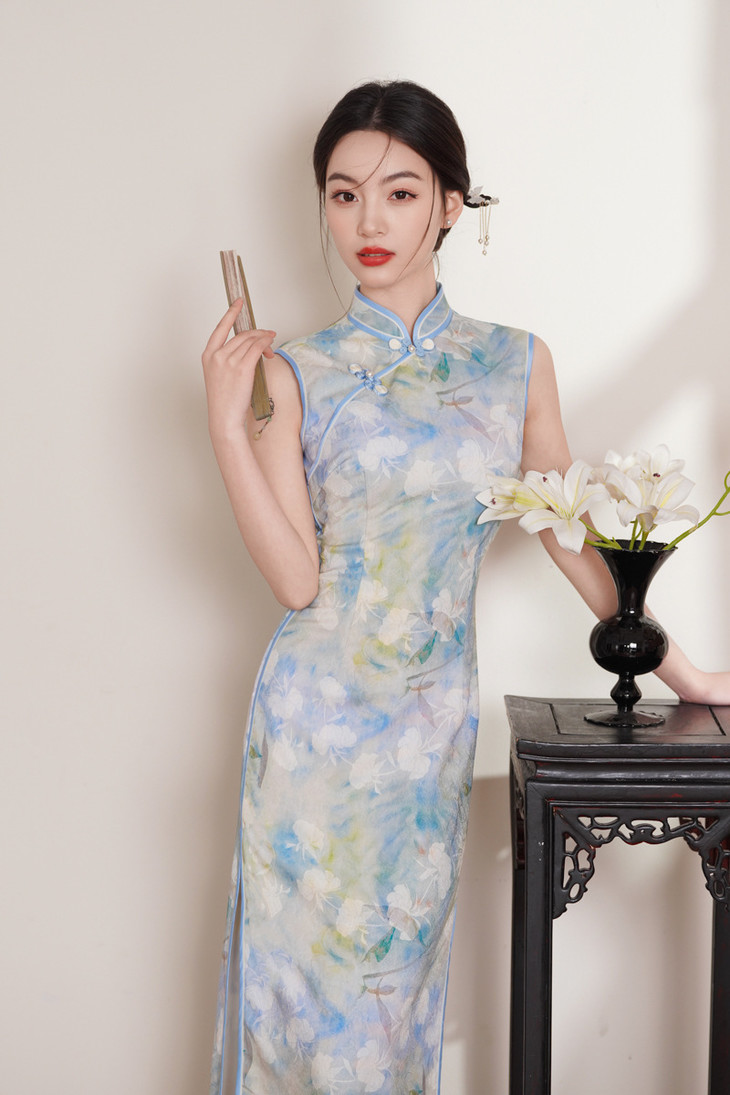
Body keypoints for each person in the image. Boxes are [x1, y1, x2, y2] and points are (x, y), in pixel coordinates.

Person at [202, 80, 730, 1095]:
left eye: (400, 193)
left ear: (450, 203)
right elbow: (295, 577)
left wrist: (686, 673)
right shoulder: (297, 372)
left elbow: (567, 535)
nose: (368, 221)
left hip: (427, 736)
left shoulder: (512, 364)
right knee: (301, 1013)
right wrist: (231, 424)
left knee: (394, 1011)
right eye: (344, 194)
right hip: (311, 741)